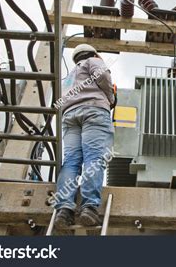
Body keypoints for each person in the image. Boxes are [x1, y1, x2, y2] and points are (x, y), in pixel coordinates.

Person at [53, 44, 116, 229]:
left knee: (71, 161)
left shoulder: (68, 76)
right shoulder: (93, 61)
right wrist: (111, 98)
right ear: (94, 53)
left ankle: (64, 210)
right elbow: (103, 76)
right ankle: (89, 207)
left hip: (70, 116)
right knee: (94, 158)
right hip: (93, 111)